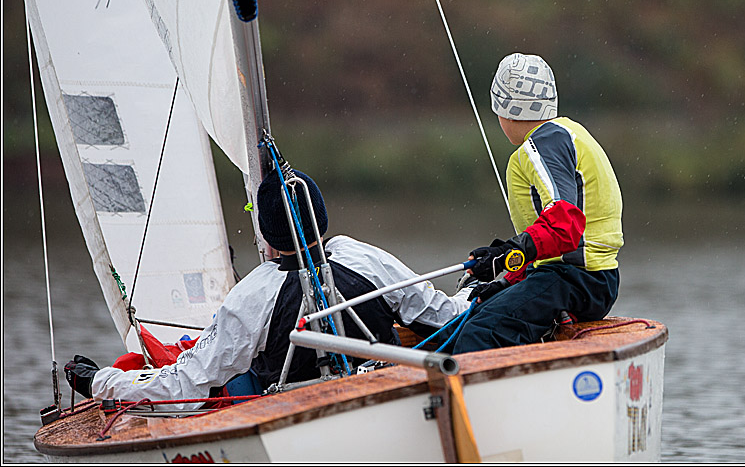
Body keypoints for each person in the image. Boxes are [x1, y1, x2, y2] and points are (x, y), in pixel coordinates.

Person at [64, 170, 471, 406]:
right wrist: (478, 286)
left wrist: (101, 382)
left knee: (236, 381)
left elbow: (186, 382)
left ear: (267, 234)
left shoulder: (253, 293)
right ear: (321, 218)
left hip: (292, 412)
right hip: (386, 395)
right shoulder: (363, 257)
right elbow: (445, 316)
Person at [450, 53, 623, 354]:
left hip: (576, 280)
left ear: (504, 109)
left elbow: (565, 225)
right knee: (474, 313)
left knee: (479, 334)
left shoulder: (541, 145)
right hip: (592, 279)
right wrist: (508, 278)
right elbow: (548, 244)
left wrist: (507, 253)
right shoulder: (571, 132)